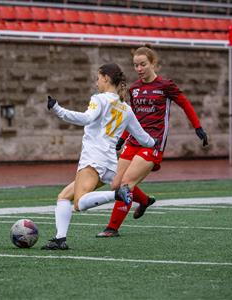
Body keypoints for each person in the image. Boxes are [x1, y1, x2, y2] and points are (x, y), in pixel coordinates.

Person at [41, 63, 158, 250]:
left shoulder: (99, 99)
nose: (96, 82)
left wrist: (58, 110)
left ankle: (117, 194)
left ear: (105, 78)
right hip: (111, 163)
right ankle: (59, 239)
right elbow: (144, 138)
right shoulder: (126, 108)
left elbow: (86, 118)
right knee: (64, 197)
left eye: (98, 78)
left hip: (93, 159)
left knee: (79, 203)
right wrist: (155, 144)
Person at [96, 45, 208, 238]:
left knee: (126, 185)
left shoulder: (165, 86)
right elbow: (132, 119)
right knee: (115, 184)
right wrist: (121, 140)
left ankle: (112, 228)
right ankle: (145, 201)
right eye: (136, 65)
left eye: (143, 64)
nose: (139, 69)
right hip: (133, 141)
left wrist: (197, 127)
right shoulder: (135, 89)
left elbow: (185, 103)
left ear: (153, 63)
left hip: (153, 144)